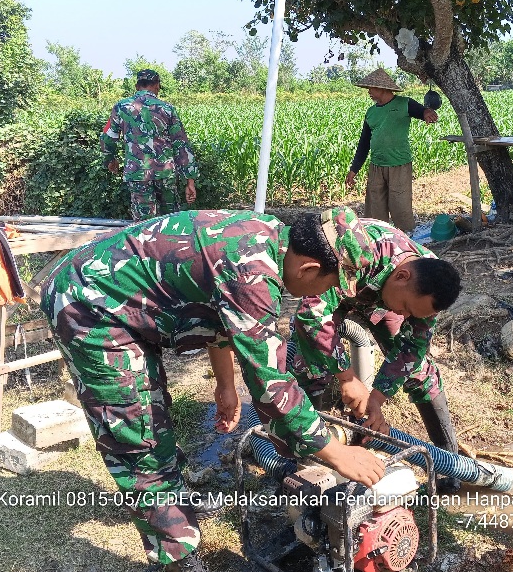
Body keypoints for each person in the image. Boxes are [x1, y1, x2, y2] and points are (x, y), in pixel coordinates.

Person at [40, 208, 386, 572]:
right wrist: (334, 452)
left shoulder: (268, 240)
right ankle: (177, 556)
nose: (324, 295)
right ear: (309, 270)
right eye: (329, 285)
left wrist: (225, 385)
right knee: (138, 433)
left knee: (151, 414)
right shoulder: (252, 273)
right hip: (90, 303)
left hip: (116, 292)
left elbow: (218, 309)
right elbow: (271, 382)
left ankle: (177, 502)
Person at [288, 217, 463, 492]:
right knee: (312, 365)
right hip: (340, 285)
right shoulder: (360, 249)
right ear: (402, 277)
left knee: (419, 372)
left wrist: (376, 400)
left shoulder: (431, 286)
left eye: (412, 314)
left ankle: (448, 463)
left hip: (382, 298)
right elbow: (311, 315)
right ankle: (306, 454)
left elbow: (412, 350)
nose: (405, 315)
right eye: (405, 307)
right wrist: (346, 378)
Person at [345, 68, 438, 233]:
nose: (369, 92)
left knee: (400, 207)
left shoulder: (404, 104)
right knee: (375, 209)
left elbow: (421, 111)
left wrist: (427, 112)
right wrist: (354, 169)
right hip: (376, 167)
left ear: (382, 88)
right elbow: (364, 143)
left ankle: (407, 240)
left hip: (399, 165)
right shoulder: (371, 112)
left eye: (371, 88)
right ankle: (378, 239)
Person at [100, 69, 198, 222]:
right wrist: (189, 180)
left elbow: (107, 138)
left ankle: (145, 245)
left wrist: (110, 160)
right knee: (170, 222)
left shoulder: (121, 107)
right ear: (157, 85)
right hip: (165, 175)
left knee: (144, 226)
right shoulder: (167, 109)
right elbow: (181, 144)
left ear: (136, 86)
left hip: (138, 175)